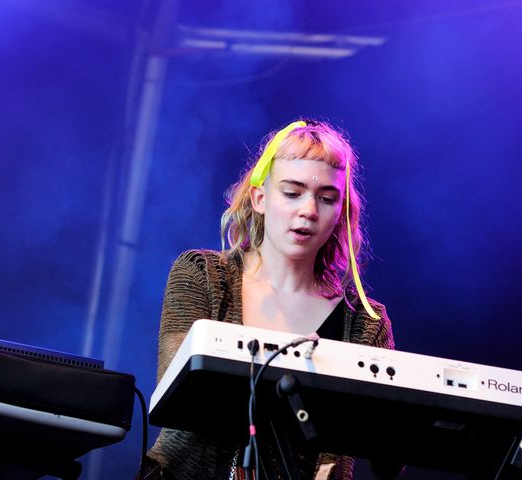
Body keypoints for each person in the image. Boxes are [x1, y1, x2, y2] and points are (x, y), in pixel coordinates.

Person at [138, 119, 396, 480]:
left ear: (341, 211)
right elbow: (179, 397)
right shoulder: (202, 274)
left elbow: (389, 456)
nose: (309, 210)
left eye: (326, 198)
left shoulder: (366, 321)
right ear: (260, 198)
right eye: (292, 193)